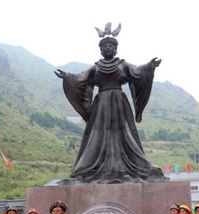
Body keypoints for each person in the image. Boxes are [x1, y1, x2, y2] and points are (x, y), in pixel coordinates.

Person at [54, 23, 164, 184]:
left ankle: (133, 167)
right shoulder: (95, 67)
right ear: (100, 49)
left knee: (124, 133)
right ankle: (89, 168)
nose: (107, 48)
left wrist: (150, 66)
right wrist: (66, 76)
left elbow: (138, 72)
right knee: (96, 135)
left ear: (115, 49)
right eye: (104, 46)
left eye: (110, 46)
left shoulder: (123, 65)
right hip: (100, 105)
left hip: (119, 103)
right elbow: (80, 78)